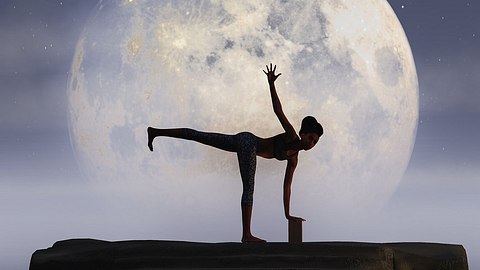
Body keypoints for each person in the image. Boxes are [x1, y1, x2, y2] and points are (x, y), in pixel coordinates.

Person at [147, 63, 323, 243]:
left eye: (315, 142)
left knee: (201, 137)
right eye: (310, 138)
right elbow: (278, 111)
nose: (311, 143)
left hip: (245, 143)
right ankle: (246, 235)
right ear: (303, 133)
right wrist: (271, 84)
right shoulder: (291, 135)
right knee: (247, 185)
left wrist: (287, 214)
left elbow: (287, 187)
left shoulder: (293, 159)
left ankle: (154, 132)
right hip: (248, 143)